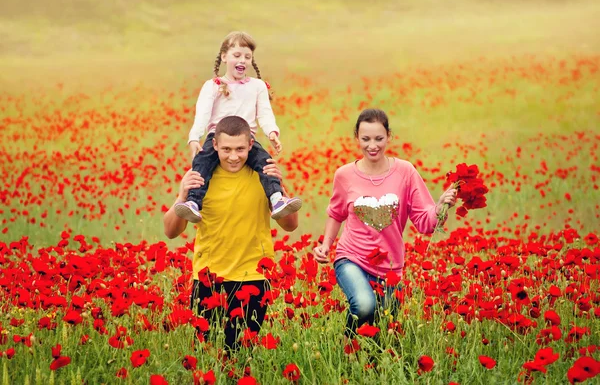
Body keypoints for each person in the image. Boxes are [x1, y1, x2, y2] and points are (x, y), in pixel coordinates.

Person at [313, 108, 457, 337]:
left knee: (383, 325)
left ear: (389, 136)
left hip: (390, 266)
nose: (373, 145)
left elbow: (424, 221)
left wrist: (440, 206)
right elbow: (336, 213)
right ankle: (348, 348)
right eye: (366, 139)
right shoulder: (344, 175)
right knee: (364, 305)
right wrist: (325, 246)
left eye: (379, 139)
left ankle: (365, 364)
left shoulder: (405, 172)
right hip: (352, 258)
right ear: (356, 138)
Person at [163, 115, 298, 352]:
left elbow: (290, 225)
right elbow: (171, 231)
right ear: (214, 145)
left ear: (251, 145)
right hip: (208, 278)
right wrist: (182, 195)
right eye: (226, 149)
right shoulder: (199, 178)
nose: (233, 156)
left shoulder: (264, 175)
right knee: (208, 354)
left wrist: (281, 185)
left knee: (241, 354)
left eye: (240, 149)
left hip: (254, 277)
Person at [174, 31, 302, 223]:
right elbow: (202, 115)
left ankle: (276, 199)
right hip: (216, 139)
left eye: (247, 57)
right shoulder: (213, 86)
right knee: (201, 163)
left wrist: (272, 132)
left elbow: (264, 113)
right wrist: (194, 138)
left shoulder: (257, 86)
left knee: (266, 162)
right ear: (224, 57)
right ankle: (193, 202)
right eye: (237, 55)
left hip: (247, 140)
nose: (242, 60)